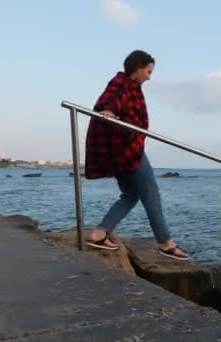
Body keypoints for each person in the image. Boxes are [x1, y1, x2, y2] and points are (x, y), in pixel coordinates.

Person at [83, 50, 189, 261]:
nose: (149, 77)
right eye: (148, 71)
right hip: (128, 150)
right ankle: (165, 242)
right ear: (137, 68)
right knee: (152, 194)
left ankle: (100, 232)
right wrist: (108, 111)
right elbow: (109, 101)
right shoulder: (122, 85)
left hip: (123, 149)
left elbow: (113, 100)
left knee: (131, 195)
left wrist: (111, 111)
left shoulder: (129, 85)